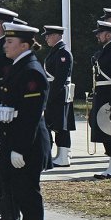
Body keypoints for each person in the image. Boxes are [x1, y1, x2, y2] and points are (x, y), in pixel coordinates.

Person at [0, 22, 50, 220]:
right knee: (18, 191)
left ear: (24, 45)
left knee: (28, 193)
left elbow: (31, 116)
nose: (5, 45)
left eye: (9, 42)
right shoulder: (18, 67)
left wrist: (20, 148)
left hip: (28, 145)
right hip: (15, 141)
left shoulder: (31, 72)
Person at [41, 25, 74, 167]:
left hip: (58, 94)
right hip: (54, 92)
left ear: (56, 36)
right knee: (57, 124)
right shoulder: (56, 51)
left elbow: (60, 79)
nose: (46, 38)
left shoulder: (63, 53)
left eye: (48, 35)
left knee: (61, 126)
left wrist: (50, 97)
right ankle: (60, 155)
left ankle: (63, 156)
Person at [91, 19, 111, 179]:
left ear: (108, 34)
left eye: (100, 33)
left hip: (110, 95)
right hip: (103, 95)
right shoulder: (107, 50)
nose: (98, 36)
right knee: (107, 134)